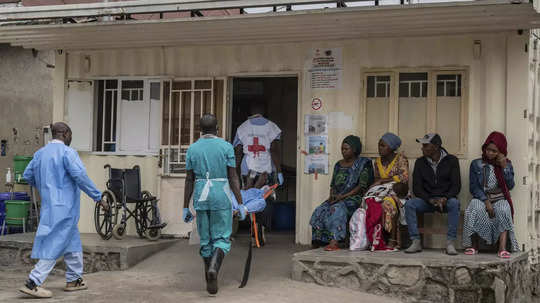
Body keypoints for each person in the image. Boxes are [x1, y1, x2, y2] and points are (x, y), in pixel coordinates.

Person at [19, 122, 108, 299]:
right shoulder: (68, 153)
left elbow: (27, 175)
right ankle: (33, 282)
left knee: (72, 242)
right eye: (71, 135)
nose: (71, 138)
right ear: (65, 133)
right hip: (65, 208)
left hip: (50, 206)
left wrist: (46, 187)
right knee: (55, 243)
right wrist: (98, 197)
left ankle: (74, 280)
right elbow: (80, 177)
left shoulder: (40, 154)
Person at [183, 114, 244, 296]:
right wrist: (240, 203)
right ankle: (214, 270)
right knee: (222, 238)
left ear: (200, 130)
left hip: (201, 196)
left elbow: (189, 179)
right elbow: (233, 177)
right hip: (220, 195)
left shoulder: (193, 149)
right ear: (217, 129)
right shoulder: (226, 147)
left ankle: (209, 278)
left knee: (205, 240)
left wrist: (185, 206)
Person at [310, 135, 374, 251]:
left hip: (354, 198)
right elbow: (333, 185)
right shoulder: (338, 165)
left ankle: (335, 242)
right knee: (320, 209)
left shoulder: (363, 164)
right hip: (338, 197)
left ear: (354, 150)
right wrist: (331, 196)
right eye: (342, 149)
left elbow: (361, 187)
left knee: (337, 209)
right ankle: (317, 241)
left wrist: (342, 197)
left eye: (346, 149)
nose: (343, 151)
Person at [463, 132, 519, 258]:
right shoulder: (476, 164)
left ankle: (502, 248)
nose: (490, 153)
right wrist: (486, 201)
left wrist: (504, 168)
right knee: (474, 207)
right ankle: (474, 246)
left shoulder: (507, 164)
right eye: (488, 149)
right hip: (482, 197)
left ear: (501, 151)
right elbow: (474, 187)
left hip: (500, 198)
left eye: (494, 151)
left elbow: (510, 186)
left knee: (504, 209)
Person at [405, 133, 461, 255]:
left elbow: (456, 186)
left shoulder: (452, 160)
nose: (422, 148)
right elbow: (417, 188)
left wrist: (445, 198)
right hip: (427, 201)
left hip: (446, 200)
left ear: (436, 147)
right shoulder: (420, 162)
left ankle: (450, 243)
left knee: (455, 203)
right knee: (410, 204)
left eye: (425, 145)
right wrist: (430, 200)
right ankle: (415, 241)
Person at [234, 102, 283, 231]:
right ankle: (260, 227)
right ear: (264, 112)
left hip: (248, 169)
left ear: (250, 112)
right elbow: (274, 150)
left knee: (249, 196)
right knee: (264, 198)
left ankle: (252, 225)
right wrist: (279, 171)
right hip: (266, 169)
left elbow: (238, 153)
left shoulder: (242, 127)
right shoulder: (272, 127)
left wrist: (235, 173)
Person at [367, 132, 409, 249]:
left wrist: (383, 181)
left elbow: (404, 178)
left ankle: (392, 239)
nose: (379, 148)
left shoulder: (401, 158)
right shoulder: (377, 162)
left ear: (391, 147)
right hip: (382, 191)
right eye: (379, 145)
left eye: (383, 145)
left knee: (388, 203)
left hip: (398, 192)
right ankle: (375, 238)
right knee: (370, 202)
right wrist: (377, 184)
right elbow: (376, 179)